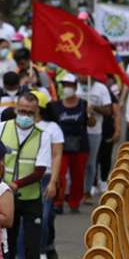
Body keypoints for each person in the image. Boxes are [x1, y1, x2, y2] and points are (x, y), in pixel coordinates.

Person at [0, 93, 51, 259]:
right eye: (22, 110)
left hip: (30, 198)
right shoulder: (1, 128)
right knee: (6, 246)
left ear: (36, 113)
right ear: (16, 108)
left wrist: (16, 184)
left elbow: (40, 170)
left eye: (30, 112)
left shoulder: (42, 136)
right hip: (5, 198)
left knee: (31, 248)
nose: (25, 115)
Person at [32, 91, 63, 259]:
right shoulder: (17, 126)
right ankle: (29, 253)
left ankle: (44, 250)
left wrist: (53, 181)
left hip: (45, 178)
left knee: (45, 217)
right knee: (30, 219)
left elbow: (57, 155)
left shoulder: (52, 128)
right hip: (26, 179)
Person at [51, 74, 89, 213]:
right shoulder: (56, 106)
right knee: (60, 174)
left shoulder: (84, 104)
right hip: (61, 145)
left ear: (75, 86)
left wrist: (90, 114)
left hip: (80, 145)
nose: (67, 88)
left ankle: (74, 202)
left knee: (78, 175)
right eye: (64, 85)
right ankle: (58, 202)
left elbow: (91, 123)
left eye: (69, 85)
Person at [76, 74, 112, 204]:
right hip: (77, 131)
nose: (81, 77)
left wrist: (94, 107)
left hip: (94, 132)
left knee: (90, 163)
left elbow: (108, 111)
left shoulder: (101, 88)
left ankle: (87, 191)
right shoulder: (74, 86)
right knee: (76, 162)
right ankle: (74, 191)